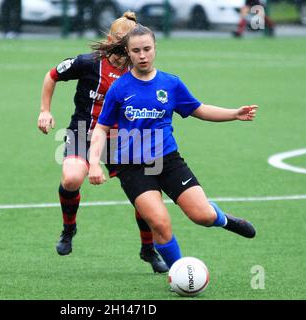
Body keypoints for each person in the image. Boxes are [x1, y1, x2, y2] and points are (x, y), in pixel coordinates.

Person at [88, 24, 257, 269]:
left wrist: (234, 114)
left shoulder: (171, 83)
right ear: (128, 52)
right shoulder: (120, 88)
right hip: (132, 167)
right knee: (159, 223)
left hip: (168, 161)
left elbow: (198, 109)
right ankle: (179, 272)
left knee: (203, 216)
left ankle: (222, 219)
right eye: (136, 51)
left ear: (155, 49)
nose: (142, 55)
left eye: (147, 49)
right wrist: (94, 163)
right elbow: (101, 128)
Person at [37, 12, 168, 273]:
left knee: (146, 198)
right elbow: (52, 75)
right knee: (72, 179)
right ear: (110, 41)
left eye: (128, 49)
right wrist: (44, 110)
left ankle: (147, 249)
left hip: (124, 138)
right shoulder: (88, 63)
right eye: (119, 48)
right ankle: (68, 229)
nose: (124, 55)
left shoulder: (138, 70)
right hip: (83, 131)